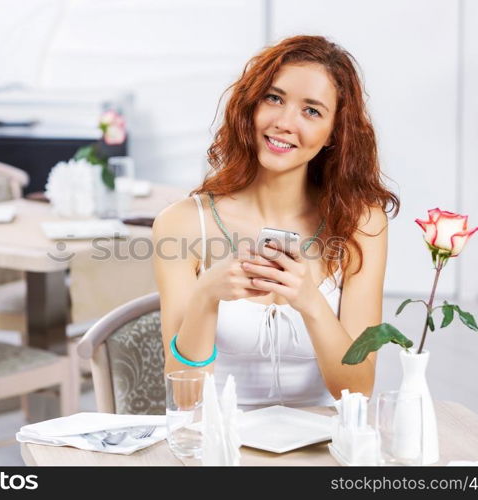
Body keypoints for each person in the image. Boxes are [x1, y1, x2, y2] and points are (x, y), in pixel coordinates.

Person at [152, 35, 399, 409]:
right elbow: (186, 399)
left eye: (311, 110)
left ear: (335, 133)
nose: (284, 122)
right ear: (251, 105)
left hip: (321, 451)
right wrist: (207, 296)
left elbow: (357, 390)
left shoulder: (362, 223)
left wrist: (310, 302)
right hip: (219, 450)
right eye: (274, 98)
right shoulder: (182, 224)